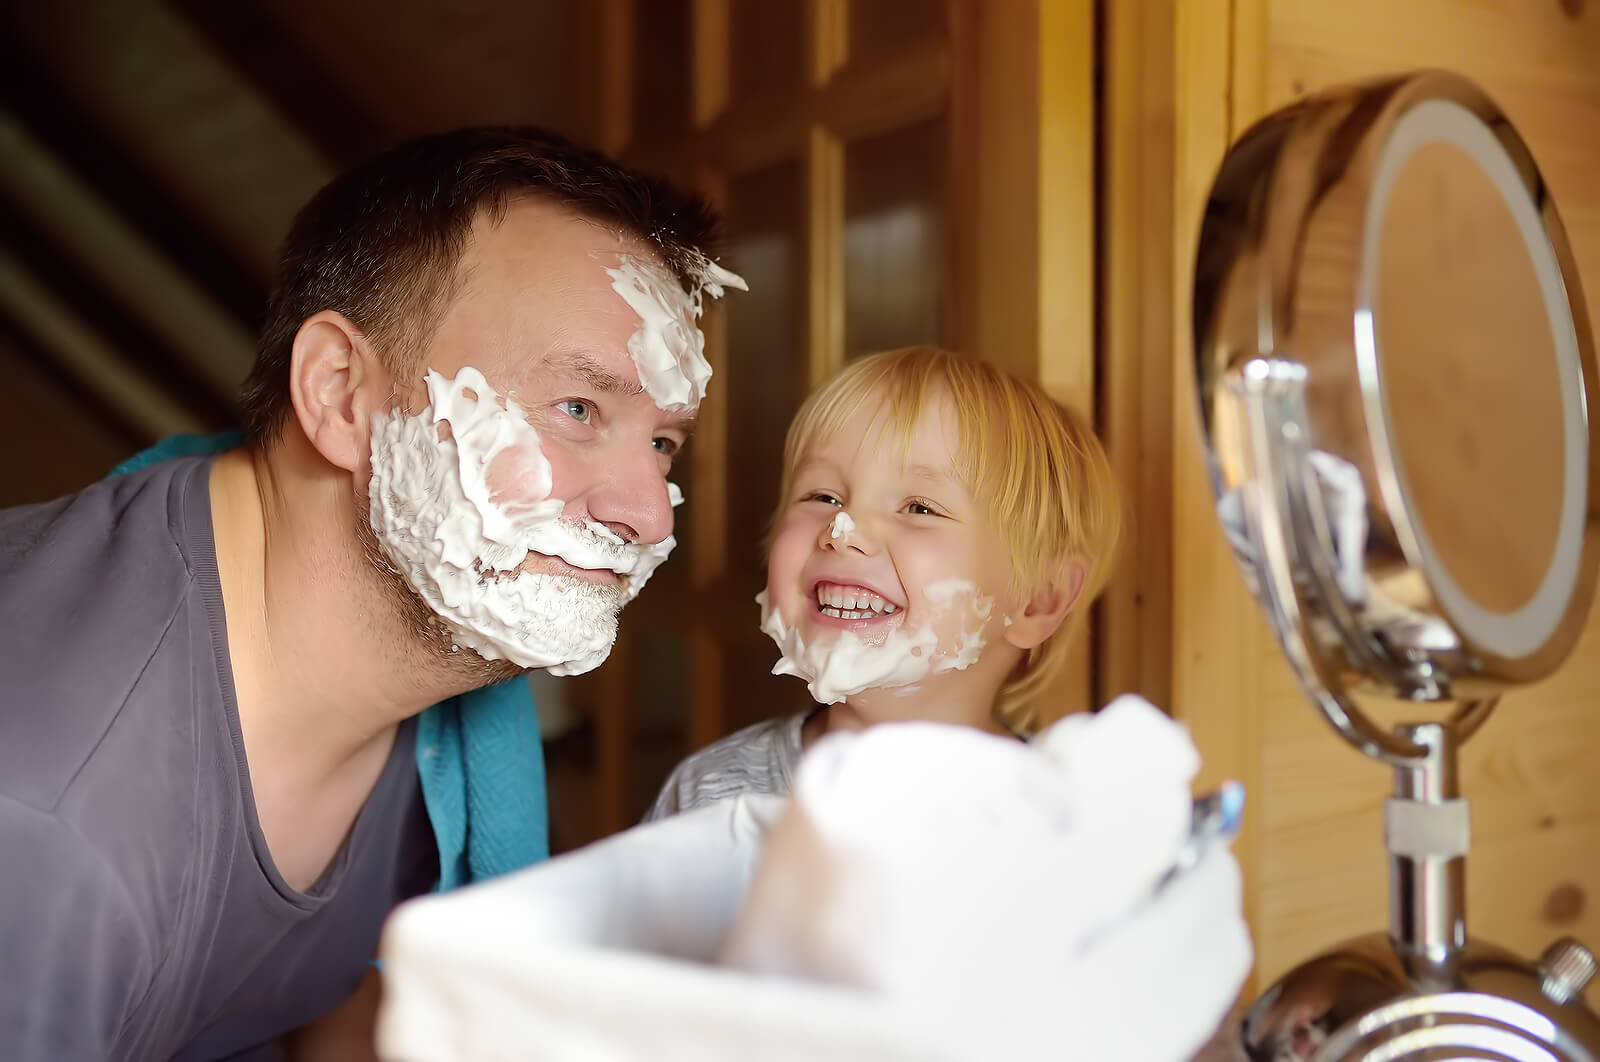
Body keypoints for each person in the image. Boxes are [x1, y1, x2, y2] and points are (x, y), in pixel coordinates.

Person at [0, 125, 742, 1060]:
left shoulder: (422, 696)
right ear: (342, 395)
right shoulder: (44, 829)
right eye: (577, 410)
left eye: (663, 443)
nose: (649, 516)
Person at [648, 346, 1122, 820]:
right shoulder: (710, 796)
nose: (844, 530)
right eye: (823, 496)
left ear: (1039, 599)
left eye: (919, 508)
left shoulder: (1057, 827)